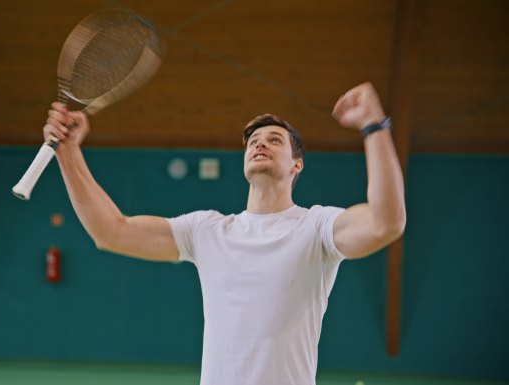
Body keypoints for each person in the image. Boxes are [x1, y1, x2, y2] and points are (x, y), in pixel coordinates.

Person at [44, 82, 406, 385]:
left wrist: (374, 126)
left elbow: (385, 222)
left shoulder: (317, 228)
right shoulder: (207, 230)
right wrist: (68, 152)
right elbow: (111, 231)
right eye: (253, 141)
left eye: (275, 140)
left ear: (297, 165)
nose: (260, 143)